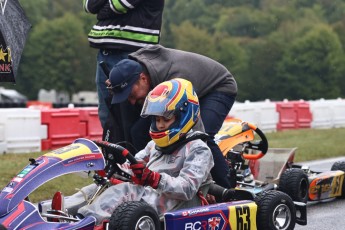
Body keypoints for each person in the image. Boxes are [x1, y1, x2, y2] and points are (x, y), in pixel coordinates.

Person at [77, 78, 214, 225]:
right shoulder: (154, 145)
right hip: (146, 200)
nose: (160, 125)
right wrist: (112, 170)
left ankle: (84, 224)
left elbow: (187, 188)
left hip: (173, 207)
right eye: (157, 119)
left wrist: (155, 179)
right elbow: (133, 166)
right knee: (100, 186)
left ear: (184, 115)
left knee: (126, 190)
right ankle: (60, 215)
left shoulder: (198, 149)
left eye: (166, 119)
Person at [107, 45, 237, 188]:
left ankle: (227, 189)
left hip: (218, 88)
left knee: (202, 135)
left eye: (131, 95)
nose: (131, 102)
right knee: (139, 131)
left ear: (143, 78)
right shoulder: (137, 67)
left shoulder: (175, 79)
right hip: (187, 84)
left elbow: (196, 134)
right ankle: (151, 179)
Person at [82, 0, 165, 129]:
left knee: (136, 114)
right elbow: (89, 5)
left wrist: (101, 12)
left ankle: (141, 149)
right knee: (107, 113)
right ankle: (112, 147)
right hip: (105, 52)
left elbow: (119, 4)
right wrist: (101, 8)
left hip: (134, 52)